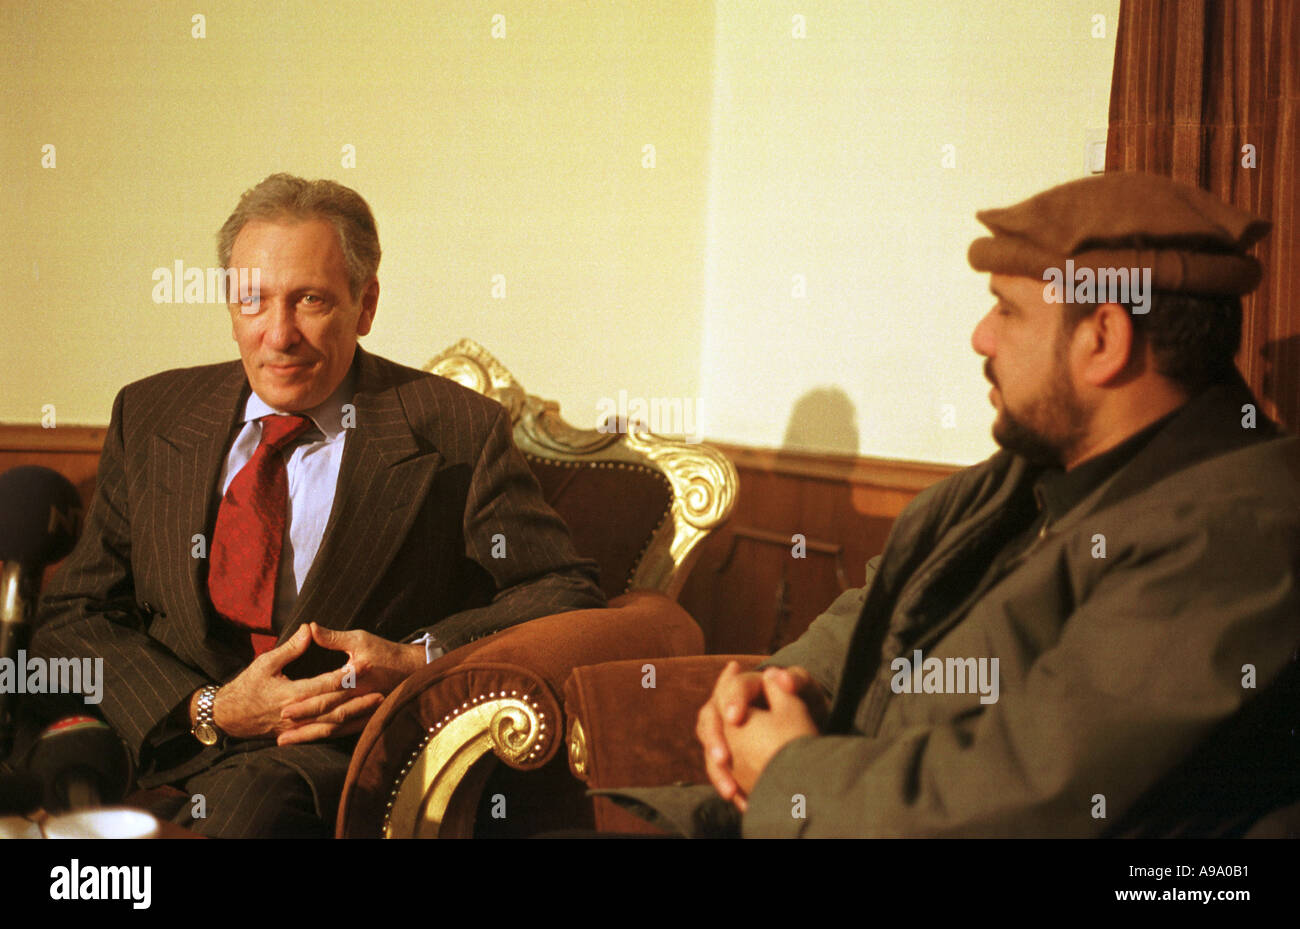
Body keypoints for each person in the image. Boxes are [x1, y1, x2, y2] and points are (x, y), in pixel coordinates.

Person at [606, 172, 1300, 837]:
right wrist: (776, 688)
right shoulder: (1021, 476)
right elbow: (872, 612)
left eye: (1008, 309)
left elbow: (1022, 802)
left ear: (1104, 339)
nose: (981, 337)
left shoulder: (1231, 535)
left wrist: (791, 774)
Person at [29, 174, 606, 837]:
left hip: (318, 759)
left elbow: (563, 588)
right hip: (153, 735)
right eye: (254, 300)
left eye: (310, 301)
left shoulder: (455, 431)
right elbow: (76, 610)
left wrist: (417, 658)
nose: (279, 335)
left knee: (246, 808)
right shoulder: (151, 413)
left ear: (365, 305)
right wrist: (207, 708)